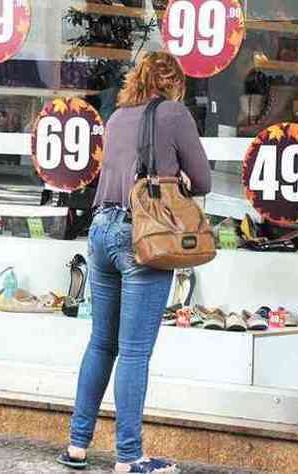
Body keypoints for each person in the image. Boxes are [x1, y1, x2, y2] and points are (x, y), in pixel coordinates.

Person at [56, 52, 211, 473]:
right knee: (135, 352)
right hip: (142, 237)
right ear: (175, 83)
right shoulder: (174, 114)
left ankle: (76, 445)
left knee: (101, 343)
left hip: (101, 231)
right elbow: (204, 181)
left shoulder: (118, 117)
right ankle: (129, 456)